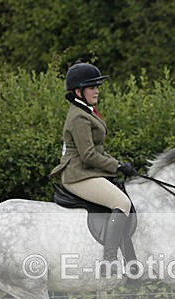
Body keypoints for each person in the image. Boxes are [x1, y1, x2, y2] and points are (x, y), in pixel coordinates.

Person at [50, 62, 137, 274]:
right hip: (77, 175)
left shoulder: (87, 111)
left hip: (87, 171)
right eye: (92, 87)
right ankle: (109, 261)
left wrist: (118, 163)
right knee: (122, 202)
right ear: (78, 91)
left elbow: (97, 149)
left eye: (97, 86)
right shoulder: (79, 117)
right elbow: (88, 156)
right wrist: (117, 166)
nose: (97, 90)